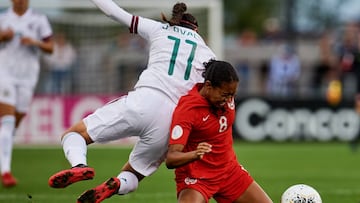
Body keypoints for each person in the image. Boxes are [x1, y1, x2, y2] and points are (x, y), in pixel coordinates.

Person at [48, 1, 216, 203]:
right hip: (171, 120)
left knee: (75, 134)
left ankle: (79, 166)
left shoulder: (160, 29)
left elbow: (114, 12)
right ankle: (117, 184)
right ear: (196, 30)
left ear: (174, 22)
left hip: (143, 100)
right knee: (135, 173)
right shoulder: (207, 53)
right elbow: (214, 91)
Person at [166, 60, 273, 203]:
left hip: (229, 172)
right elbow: (171, 159)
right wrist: (195, 154)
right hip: (197, 178)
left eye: (232, 95)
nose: (228, 100)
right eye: (224, 95)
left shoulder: (225, 95)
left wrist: (225, 96)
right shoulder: (188, 110)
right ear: (208, 86)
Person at [0, 0, 54, 187]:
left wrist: (35, 42)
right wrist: (2, 36)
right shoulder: (3, 18)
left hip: (28, 77)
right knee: (7, 121)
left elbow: (50, 48)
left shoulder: (39, 19)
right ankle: (5, 172)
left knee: (14, 122)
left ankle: (3, 155)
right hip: (4, 74)